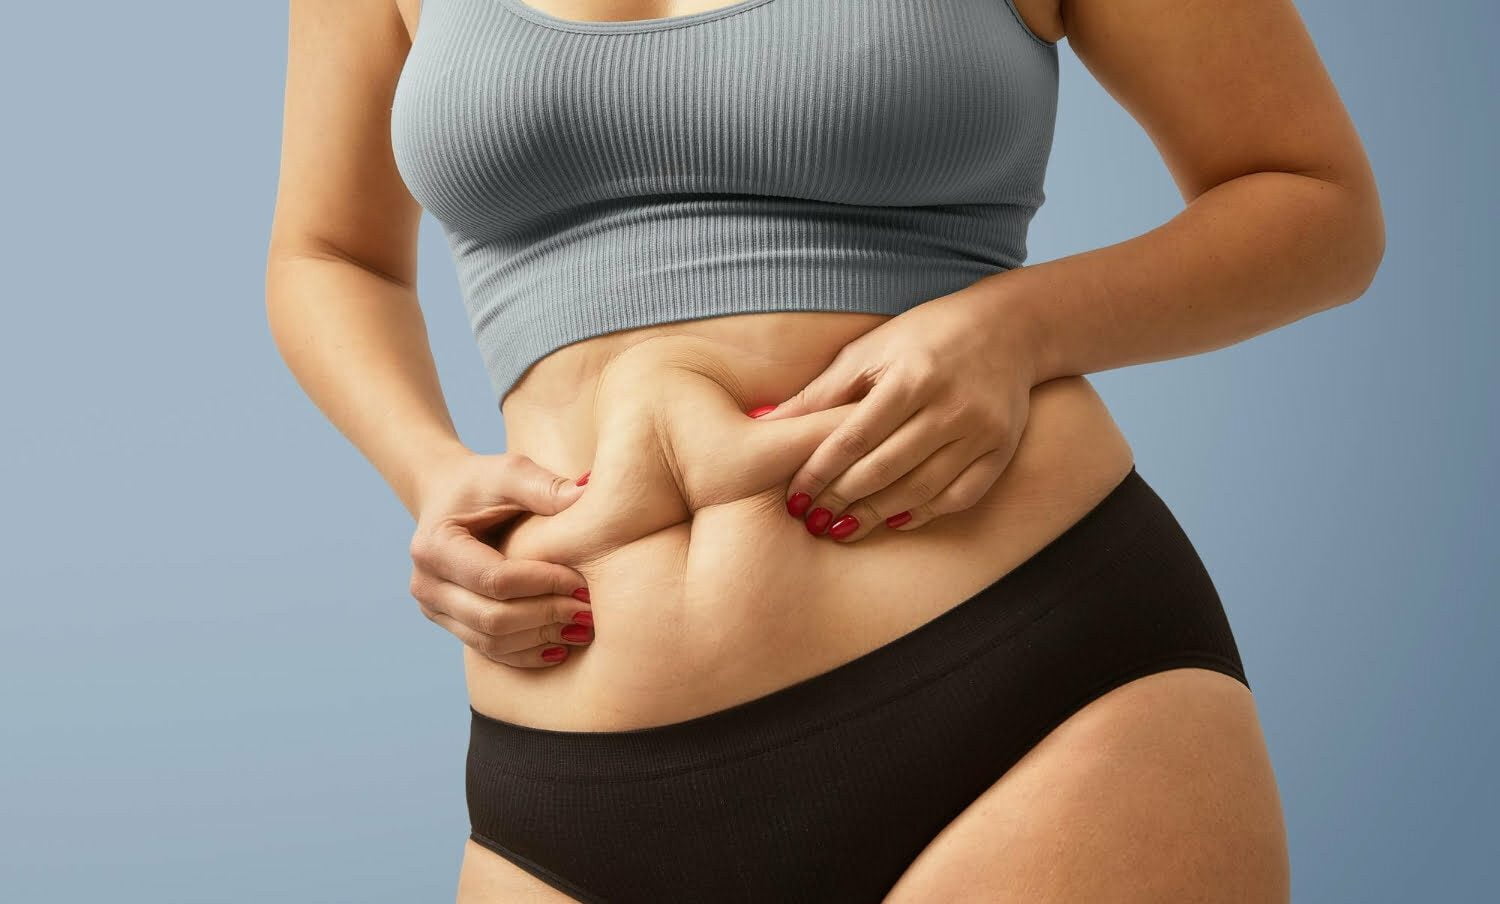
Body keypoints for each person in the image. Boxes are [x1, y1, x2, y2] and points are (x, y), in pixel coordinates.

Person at [265, 0, 1384, 901]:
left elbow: (1311, 198)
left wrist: (1019, 325)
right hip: (564, 794)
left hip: (1026, 704)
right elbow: (328, 252)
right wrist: (426, 468)